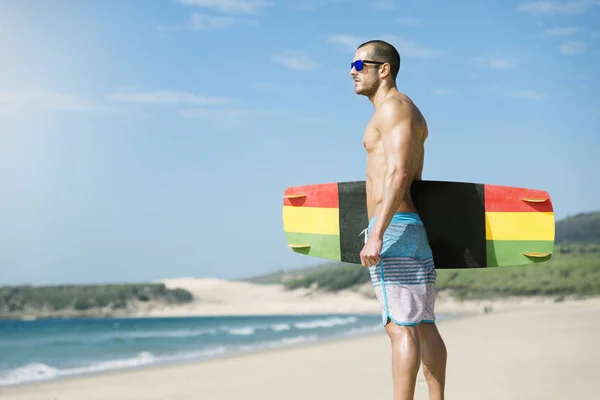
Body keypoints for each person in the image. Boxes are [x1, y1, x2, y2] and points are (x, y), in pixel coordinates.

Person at [351, 40, 447, 400]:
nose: (352, 72)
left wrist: (376, 233)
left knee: (399, 327)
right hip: (409, 227)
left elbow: (399, 173)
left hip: (393, 228)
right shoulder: (402, 110)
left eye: (360, 65)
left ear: (384, 69)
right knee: (423, 324)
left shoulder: (393, 108)